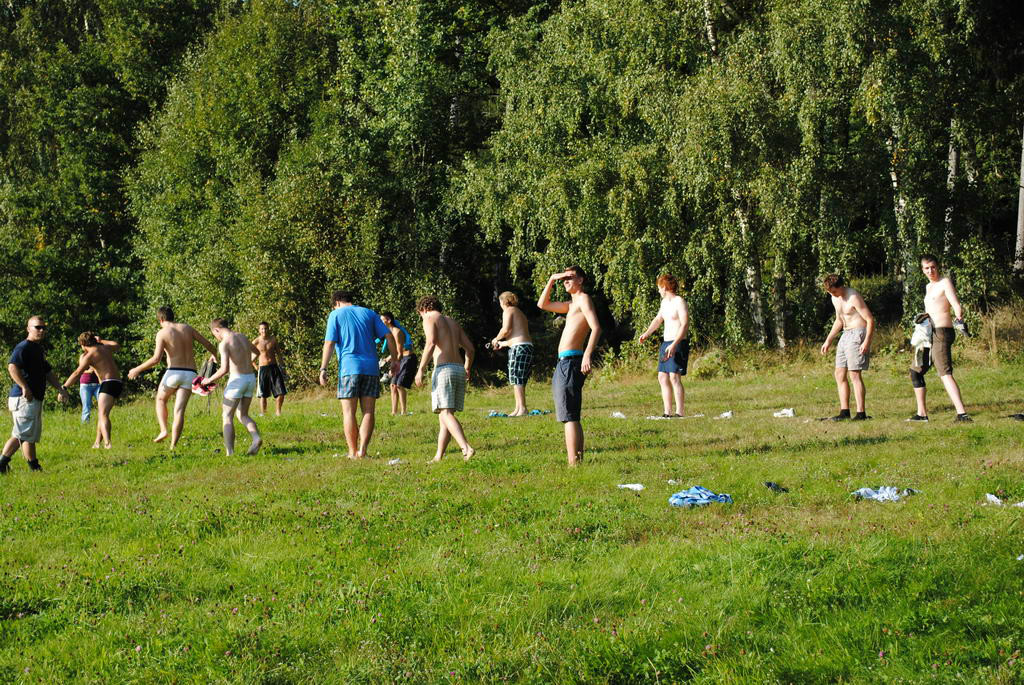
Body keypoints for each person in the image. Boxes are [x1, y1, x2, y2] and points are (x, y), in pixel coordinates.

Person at [319, 291, 399, 459]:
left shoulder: (335, 315)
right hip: (371, 368)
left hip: (349, 369)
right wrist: (395, 360)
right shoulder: (369, 313)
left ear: (337, 303)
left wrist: (323, 369)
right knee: (368, 411)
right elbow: (389, 336)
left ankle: (352, 452)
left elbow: (329, 343)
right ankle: (363, 451)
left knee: (349, 412)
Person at [127, 306, 218, 449]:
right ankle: (173, 446)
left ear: (161, 319)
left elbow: (156, 359)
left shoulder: (162, 333)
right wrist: (215, 355)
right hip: (190, 373)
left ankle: (164, 430)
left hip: (173, 372)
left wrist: (137, 369)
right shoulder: (187, 328)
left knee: (160, 399)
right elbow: (208, 344)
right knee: (179, 411)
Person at [538, 267, 602, 466]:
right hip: (565, 361)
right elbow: (543, 304)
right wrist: (552, 278)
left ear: (580, 280)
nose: (565, 281)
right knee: (570, 415)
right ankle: (576, 462)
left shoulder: (583, 299)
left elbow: (596, 327)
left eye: (570, 277)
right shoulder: (571, 304)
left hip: (572, 361)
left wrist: (587, 355)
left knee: (569, 416)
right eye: (564, 278)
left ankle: (574, 464)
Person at [1, 316, 69, 474]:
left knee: (29, 434)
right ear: (28, 329)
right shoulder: (23, 347)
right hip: (24, 397)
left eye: (44, 328)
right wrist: (24, 387)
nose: (41, 330)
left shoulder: (37, 348)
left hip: (33, 397)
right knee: (22, 433)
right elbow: (12, 367)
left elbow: (47, 372)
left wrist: (60, 388)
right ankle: (2, 462)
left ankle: (34, 467)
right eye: (38, 327)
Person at [908, 254, 972, 422]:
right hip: (928, 334)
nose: (930, 271)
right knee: (915, 371)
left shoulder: (945, 282)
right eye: (927, 268)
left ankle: (962, 414)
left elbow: (955, 304)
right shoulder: (928, 286)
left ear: (938, 266)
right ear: (922, 270)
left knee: (944, 372)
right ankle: (922, 414)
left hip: (942, 333)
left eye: (933, 267)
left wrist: (959, 318)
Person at [414, 295, 475, 462]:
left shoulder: (429, 317)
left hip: (444, 369)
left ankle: (466, 448)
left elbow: (431, 342)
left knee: (446, 413)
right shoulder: (452, 321)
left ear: (423, 309)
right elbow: (470, 349)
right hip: (458, 368)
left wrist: (420, 369)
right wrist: (467, 367)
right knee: (445, 416)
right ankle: (438, 456)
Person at [203, 319, 262, 455]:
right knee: (243, 415)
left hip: (237, 380)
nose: (216, 337)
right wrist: (246, 362)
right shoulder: (242, 336)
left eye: (214, 334)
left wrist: (208, 380)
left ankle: (230, 453)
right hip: (250, 379)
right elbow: (257, 352)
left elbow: (224, 369)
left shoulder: (224, 343)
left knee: (227, 416)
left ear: (216, 330)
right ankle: (256, 438)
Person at [820, 274, 875, 421]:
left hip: (858, 333)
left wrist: (866, 342)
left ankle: (861, 413)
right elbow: (839, 320)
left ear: (841, 286)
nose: (832, 294)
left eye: (834, 291)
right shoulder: (835, 298)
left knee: (854, 374)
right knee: (839, 374)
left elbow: (870, 319)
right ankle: (844, 412)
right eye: (830, 292)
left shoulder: (853, 297)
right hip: (845, 334)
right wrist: (828, 340)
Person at [637, 274, 690, 417]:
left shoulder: (679, 302)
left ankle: (680, 412)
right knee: (662, 377)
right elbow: (658, 319)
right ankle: (667, 412)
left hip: (678, 342)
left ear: (665, 287)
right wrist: (646, 333)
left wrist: (674, 344)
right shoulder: (664, 303)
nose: (659, 290)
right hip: (666, 343)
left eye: (659, 288)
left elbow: (685, 325)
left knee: (674, 377)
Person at [62, 333, 123, 449]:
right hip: (117, 383)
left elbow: (77, 373)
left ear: (82, 344)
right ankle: (97, 443)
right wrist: (101, 341)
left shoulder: (90, 355)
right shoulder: (105, 347)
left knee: (103, 415)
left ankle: (107, 443)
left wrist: (64, 387)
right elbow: (116, 345)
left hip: (108, 383)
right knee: (102, 414)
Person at [489, 291, 534, 416]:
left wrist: (496, 339)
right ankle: (518, 408)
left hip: (519, 348)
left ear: (503, 301)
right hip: (525, 347)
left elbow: (506, 330)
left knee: (517, 378)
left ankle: (522, 409)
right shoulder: (519, 312)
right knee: (519, 378)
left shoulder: (508, 310)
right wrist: (502, 344)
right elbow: (516, 336)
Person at [379, 312, 417, 416]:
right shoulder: (389, 333)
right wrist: (386, 359)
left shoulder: (397, 332)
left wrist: (392, 367)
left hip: (407, 359)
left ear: (388, 320)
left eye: (382, 320)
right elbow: (396, 351)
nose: (380, 322)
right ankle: (394, 412)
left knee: (399, 385)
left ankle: (404, 412)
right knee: (393, 385)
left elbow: (399, 353)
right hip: (400, 358)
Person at [253, 322, 287, 417]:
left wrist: (283, 367)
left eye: (265, 328)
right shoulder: (256, 341)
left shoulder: (273, 339)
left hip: (274, 367)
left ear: (268, 329)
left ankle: (278, 412)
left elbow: (279, 354)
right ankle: (263, 414)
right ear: (259, 330)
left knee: (281, 392)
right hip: (263, 369)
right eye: (262, 329)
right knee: (263, 394)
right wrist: (255, 366)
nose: (264, 330)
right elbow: (249, 355)